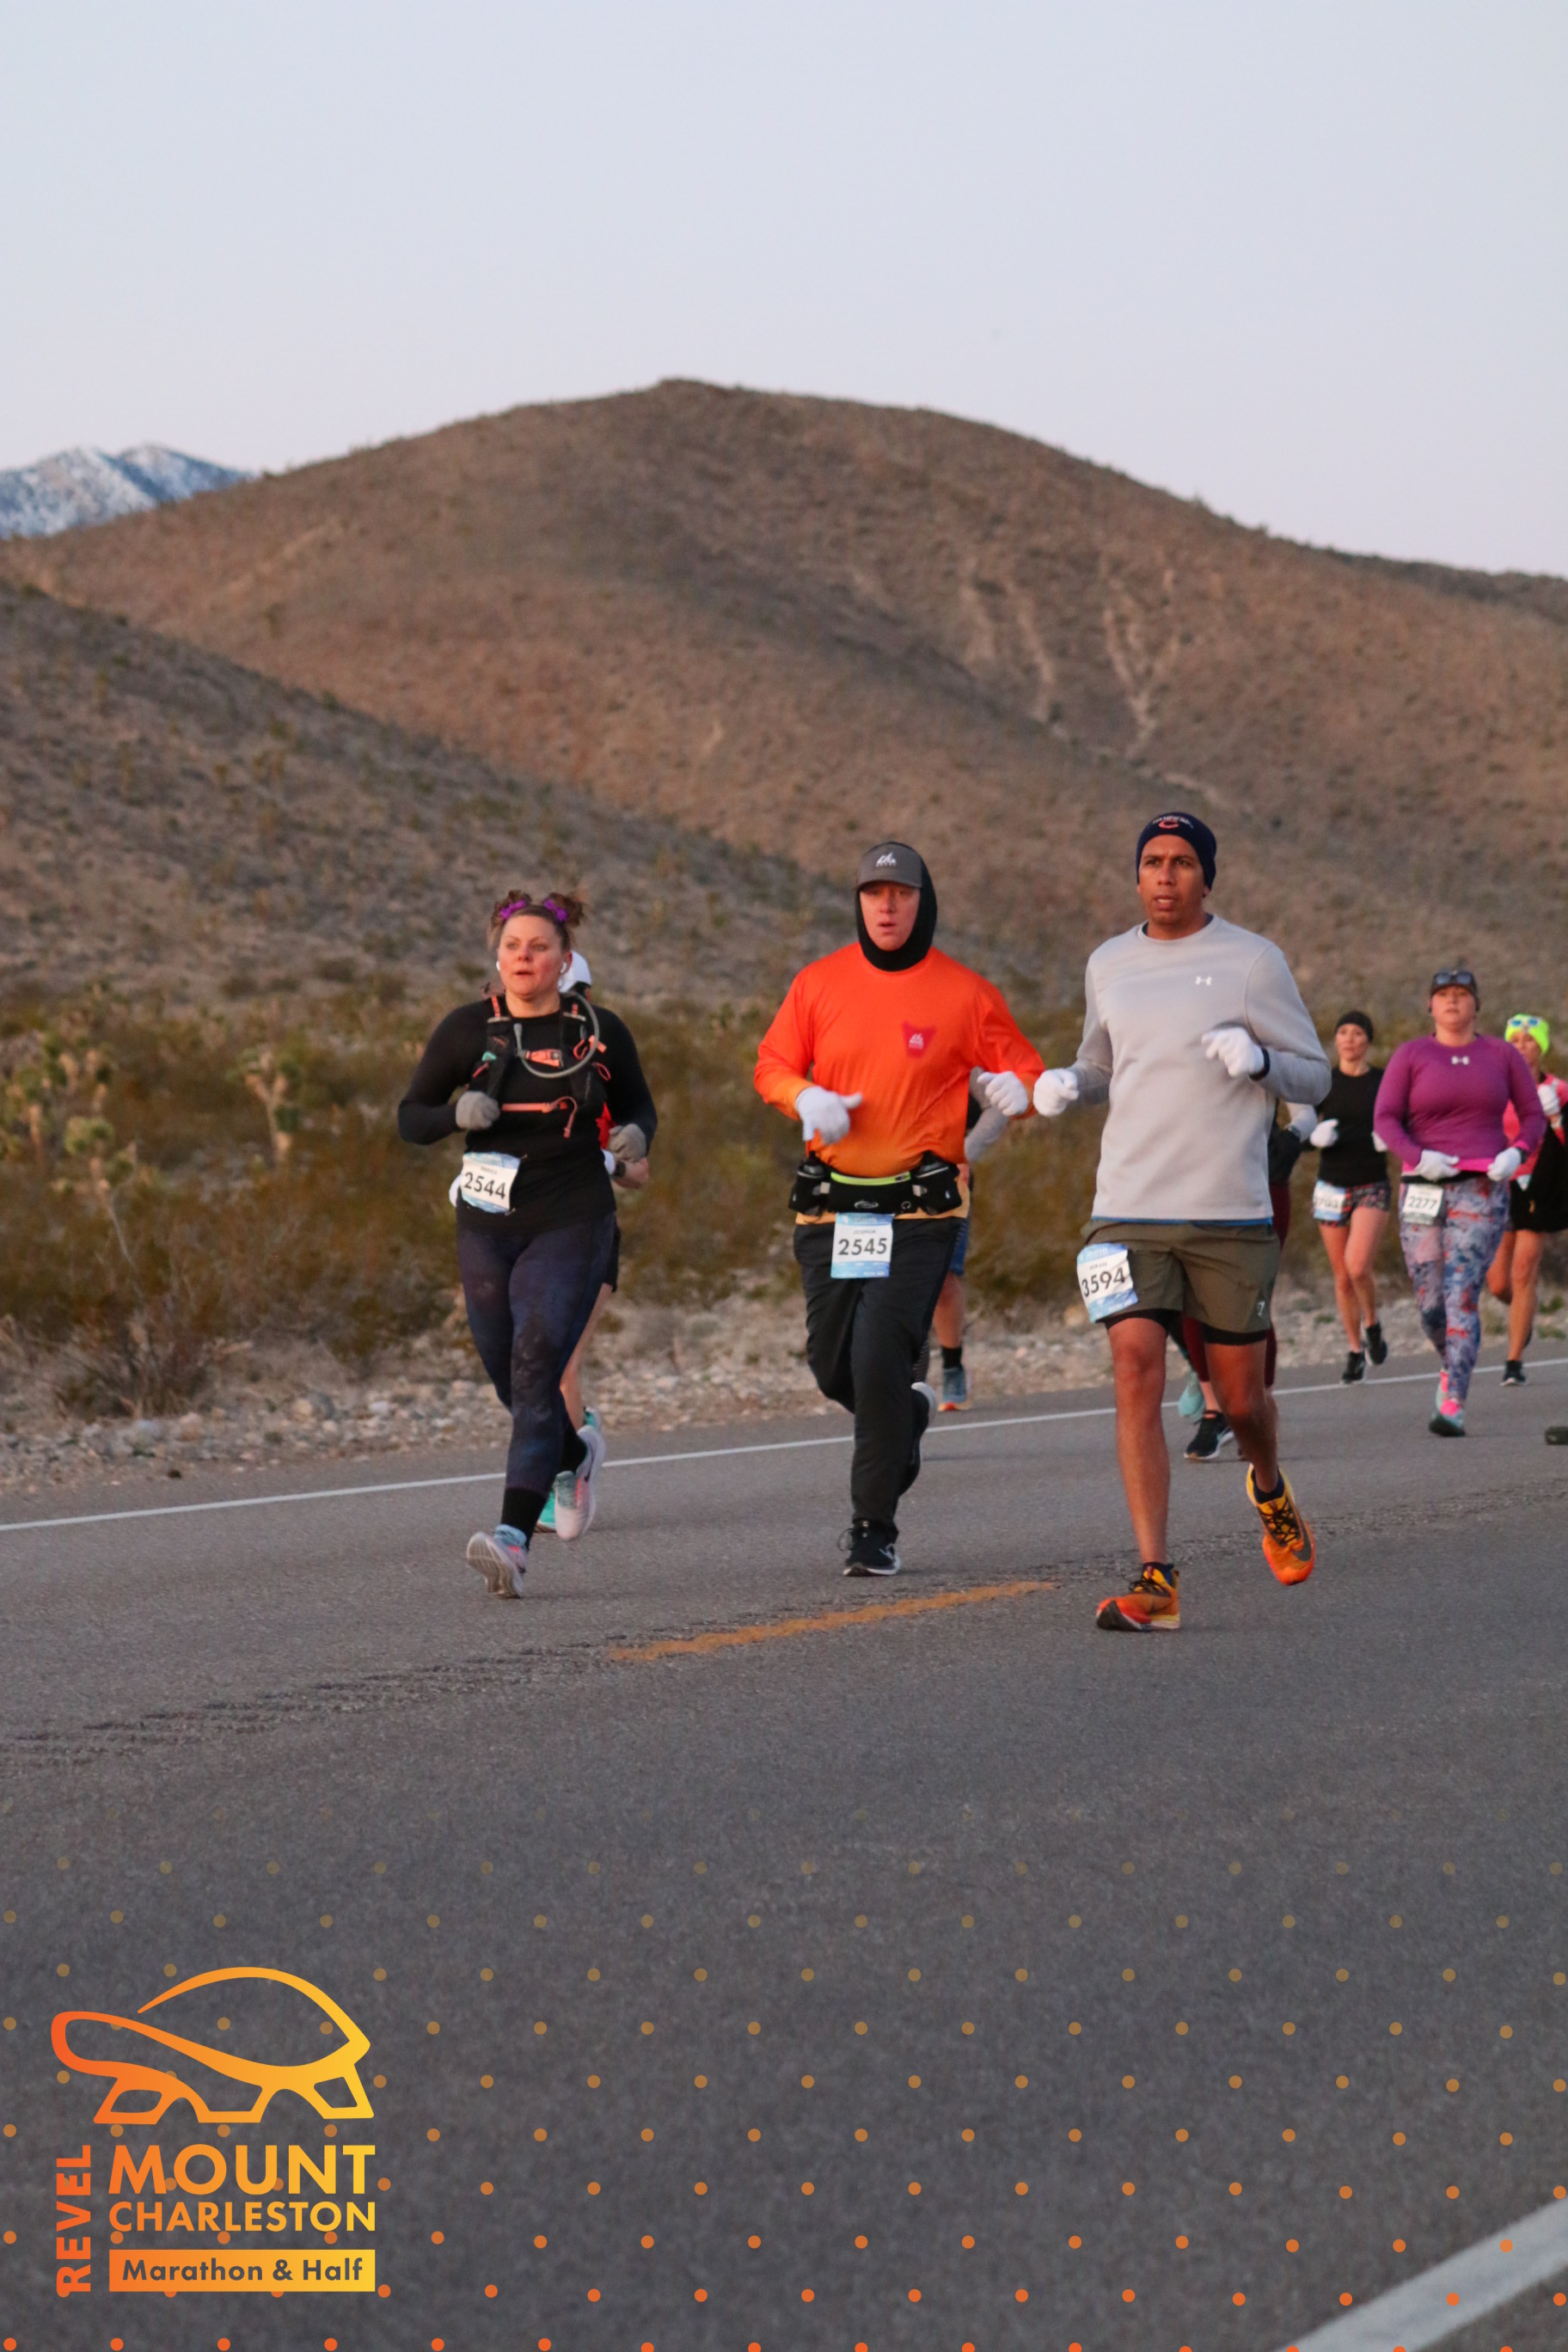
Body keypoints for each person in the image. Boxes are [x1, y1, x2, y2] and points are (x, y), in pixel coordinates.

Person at [1032, 809, 1330, 1631]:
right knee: (1135, 1365)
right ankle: (1156, 1579)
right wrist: (1070, 1083)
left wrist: (1260, 1061)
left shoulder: (1252, 962)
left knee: (1240, 1400)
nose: (1166, 875)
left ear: (1207, 876)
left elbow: (1315, 1079)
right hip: (1126, 1208)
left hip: (1228, 1215)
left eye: (1182, 862)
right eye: (1153, 862)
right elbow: (1101, 1061)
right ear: (1136, 876)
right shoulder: (1108, 963)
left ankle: (1268, 1484)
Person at [755, 842, 1044, 1574]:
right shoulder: (818, 984)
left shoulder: (965, 993)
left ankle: (872, 1527)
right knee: (833, 1366)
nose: (886, 907)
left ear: (923, 901)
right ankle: (905, 1415)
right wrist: (803, 1096)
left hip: (919, 1209)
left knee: (880, 1351)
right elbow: (771, 1066)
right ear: (857, 901)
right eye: (873, 893)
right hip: (832, 1207)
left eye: (901, 894)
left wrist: (1017, 1091)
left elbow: (1027, 1069)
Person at [398, 891, 656, 1594]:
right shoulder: (466, 1029)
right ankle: (573, 1455)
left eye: (539, 947)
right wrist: (454, 1113)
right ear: (497, 954)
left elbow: (639, 1105)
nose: (524, 957)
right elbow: (410, 1116)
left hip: (570, 1213)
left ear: (564, 960)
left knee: (538, 1364)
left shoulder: (598, 1032)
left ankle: (511, 1540)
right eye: (513, 946)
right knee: (507, 1374)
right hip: (487, 1221)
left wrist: (637, 1135)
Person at [1374, 968, 1543, 1436]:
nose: (1452, 1001)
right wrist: (1418, 1157)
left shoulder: (1501, 1055)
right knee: (1430, 1303)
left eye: (1462, 994)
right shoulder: (1411, 1055)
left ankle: (1454, 1402)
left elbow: (1532, 1115)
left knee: (1461, 1291)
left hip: (1481, 1186)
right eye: (1443, 994)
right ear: (1430, 1005)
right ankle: (1452, 1362)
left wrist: (1516, 1153)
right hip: (1424, 1184)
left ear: (1476, 1005)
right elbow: (1385, 1118)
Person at [533, 947, 651, 1533]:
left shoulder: (602, 1079)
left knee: (560, 1366)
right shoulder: (515, 1069)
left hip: (590, 1236)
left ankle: (566, 1475)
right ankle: (580, 1439)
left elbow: (640, 1174)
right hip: (527, 1240)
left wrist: (608, 1161)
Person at [1180, 1106, 1304, 1457]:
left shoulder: (1261, 1065)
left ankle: (1258, 1409)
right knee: (1191, 1297)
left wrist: (1294, 1136)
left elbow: (1307, 1098)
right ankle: (1214, 1411)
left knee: (1253, 1300)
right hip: (1198, 1175)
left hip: (1259, 1175)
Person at [1299, 1011, 1392, 1384]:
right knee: (1341, 1277)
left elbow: (1403, 1120)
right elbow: (1302, 1131)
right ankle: (1355, 1350)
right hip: (1331, 1186)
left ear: (1368, 1040)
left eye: (1357, 1033)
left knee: (1358, 1267)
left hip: (1371, 1183)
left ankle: (1373, 1324)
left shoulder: (1383, 1081)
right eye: (1343, 1032)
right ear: (1335, 1040)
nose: (1350, 1039)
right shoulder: (1324, 1083)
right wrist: (1313, 1138)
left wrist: (1390, 1137)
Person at [1484, 1014, 1568, 1387]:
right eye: (1514, 1040)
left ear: (1541, 1047)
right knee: (1499, 1283)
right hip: (1501, 1186)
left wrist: (1556, 1118)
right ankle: (1525, 1310)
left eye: (1529, 1040)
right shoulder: (1494, 1088)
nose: (1521, 1046)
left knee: (1523, 1271)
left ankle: (1514, 1361)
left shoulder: (1559, 1090)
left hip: (1540, 1188)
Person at [932, 1075, 1012, 1409]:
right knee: (882, 1280)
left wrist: (964, 1152)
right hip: (877, 1174)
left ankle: (952, 1366)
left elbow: (998, 1107)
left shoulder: (954, 1047)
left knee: (941, 1278)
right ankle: (896, 1378)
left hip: (944, 1177)